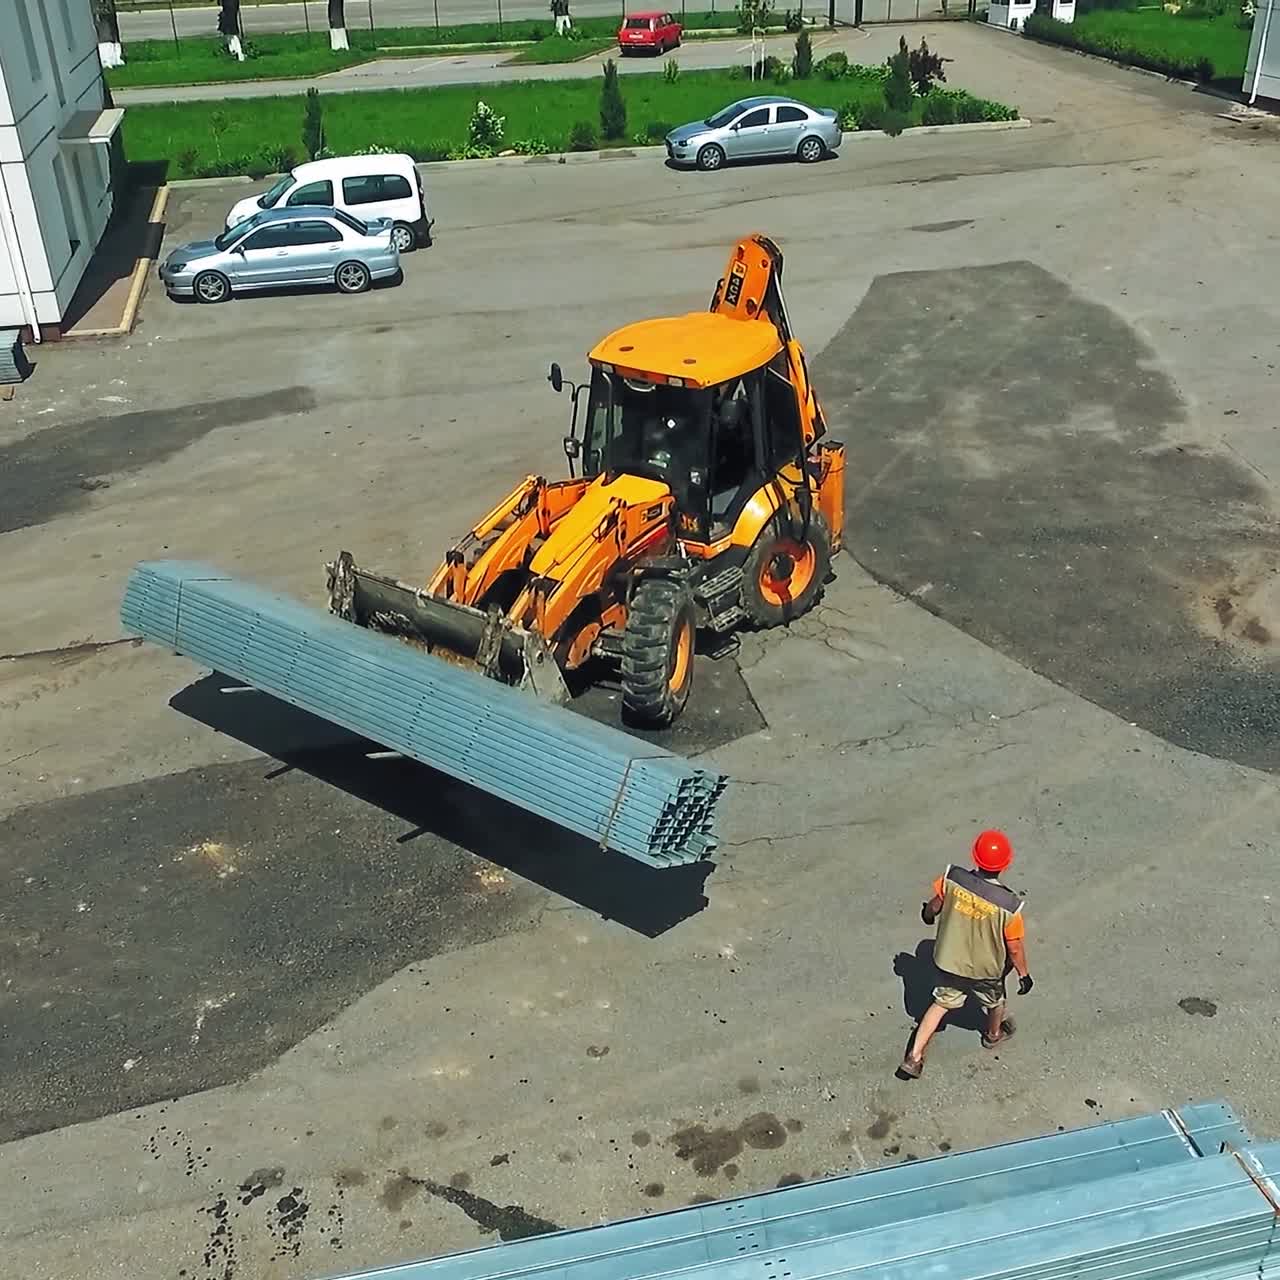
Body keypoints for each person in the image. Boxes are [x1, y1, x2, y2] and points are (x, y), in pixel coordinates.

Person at [900, 829, 1033, 1079]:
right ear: (1006, 864)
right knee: (996, 1002)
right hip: (986, 969)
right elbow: (1014, 947)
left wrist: (928, 914)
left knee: (940, 1004)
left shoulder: (953, 879)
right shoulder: (1009, 905)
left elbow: (934, 907)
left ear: (976, 858)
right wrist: (1024, 974)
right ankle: (993, 1035)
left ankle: (914, 1057)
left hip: (950, 961)